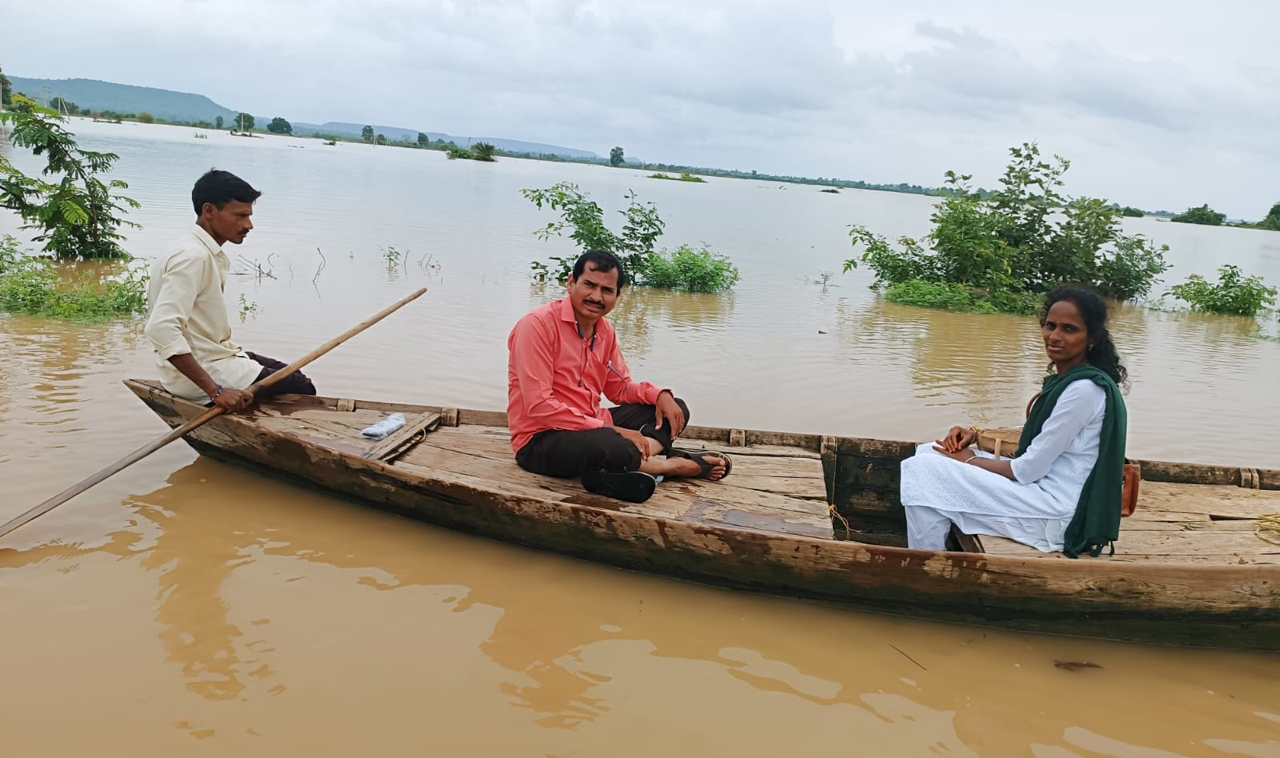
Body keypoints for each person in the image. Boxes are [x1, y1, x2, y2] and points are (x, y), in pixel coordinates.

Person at [899, 286, 1128, 558]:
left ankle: (925, 564)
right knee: (929, 451)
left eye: (1069, 329)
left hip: (1056, 512)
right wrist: (974, 436)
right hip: (1043, 492)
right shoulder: (1074, 382)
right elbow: (1044, 435)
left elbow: (1027, 469)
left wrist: (968, 459)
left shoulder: (1083, 390)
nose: (1054, 336)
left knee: (923, 468)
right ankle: (933, 552)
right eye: (1050, 325)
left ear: (1092, 338)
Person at [507, 250, 731, 502]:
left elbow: (620, 389)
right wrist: (614, 430)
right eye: (589, 285)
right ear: (571, 282)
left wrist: (659, 395)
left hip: (593, 424)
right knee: (608, 442)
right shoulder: (537, 325)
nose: (596, 296)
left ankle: (633, 460)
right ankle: (668, 466)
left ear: (617, 295)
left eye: (606, 290)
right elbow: (539, 406)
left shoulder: (605, 331)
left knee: (675, 409)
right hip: (541, 439)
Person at [144, 170, 316, 412]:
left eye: (249, 216)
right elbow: (161, 329)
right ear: (209, 211)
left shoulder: (194, 249)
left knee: (289, 373)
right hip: (203, 372)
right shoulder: (193, 257)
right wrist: (215, 390)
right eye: (240, 215)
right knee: (301, 386)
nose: (248, 225)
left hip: (213, 357)